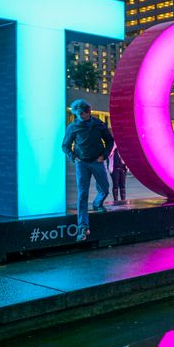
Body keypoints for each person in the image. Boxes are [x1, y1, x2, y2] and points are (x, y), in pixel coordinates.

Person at [62, 99, 114, 242]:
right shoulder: (73, 127)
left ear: (88, 112)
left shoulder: (98, 124)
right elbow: (65, 146)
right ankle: (83, 228)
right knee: (82, 194)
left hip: (97, 161)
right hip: (82, 163)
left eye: (83, 114)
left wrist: (104, 155)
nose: (81, 116)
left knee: (105, 188)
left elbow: (110, 141)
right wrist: (74, 158)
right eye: (78, 114)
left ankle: (97, 203)